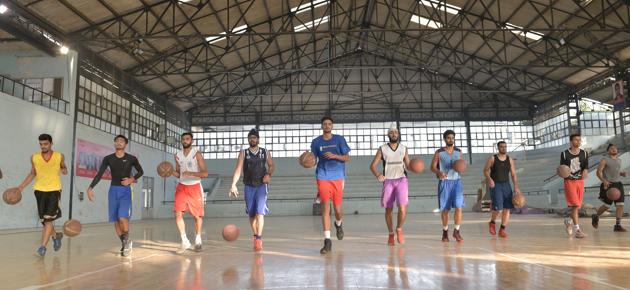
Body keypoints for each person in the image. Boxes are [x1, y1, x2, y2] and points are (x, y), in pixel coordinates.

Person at [87, 135, 144, 256]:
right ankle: (125, 244)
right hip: (113, 191)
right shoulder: (108, 158)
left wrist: (131, 179)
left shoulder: (131, 158)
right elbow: (99, 174)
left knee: (122, 216)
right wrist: (90, 187)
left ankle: (126, 241)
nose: (119, 143)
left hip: (125, 191)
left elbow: (141, 171)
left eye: (121, 141)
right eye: (117, 141)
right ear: (114, 143)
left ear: (125, 144)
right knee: (115, 220)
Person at [17, 134, 68, 257]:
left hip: (54, 191)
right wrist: (21, 187)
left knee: (48, 219)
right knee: (45, 221)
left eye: (45, 144)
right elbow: (32, 173)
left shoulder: (59, 156)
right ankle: (56, 236)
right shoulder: (34, 157)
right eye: (41, 144)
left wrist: (64, 170)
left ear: (51, 143)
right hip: (39, 191)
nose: (43, 146)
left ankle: (42, 247)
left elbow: (63, 167)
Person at [310, 116, 350, 254]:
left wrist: (335, 156)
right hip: (322, 176)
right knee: (325, 208)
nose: (327, 126)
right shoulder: (316, 142)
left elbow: (347, 157)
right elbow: (313, 160)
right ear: (322, 126)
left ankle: (338, 224)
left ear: (332, 126)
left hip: (338, 177)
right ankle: (327, 241)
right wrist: (306, 159)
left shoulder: (339, 139)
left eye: (329, 124)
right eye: (325, 124)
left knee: (338, 210)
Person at [229, 129, 274, 251]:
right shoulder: (244, 153)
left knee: (260, 213)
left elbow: (271, 165)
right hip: (248, 185)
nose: (252, 139)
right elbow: (238, 169)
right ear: (248, 139)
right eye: (250, 138)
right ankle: (255, 235)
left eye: (254, 137)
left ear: (258, 139)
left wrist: (268, 174)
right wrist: (233, 184)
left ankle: (259, 238)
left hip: (261, 185)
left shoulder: (265, 152)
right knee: (252, 214)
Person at [370, 123, 411, 245]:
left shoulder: (404, 148)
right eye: (392, 132)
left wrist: (415, 167)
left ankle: (399, 229)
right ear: (388, 134)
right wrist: (378, 175)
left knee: (402, 209)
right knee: (388, 209)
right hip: (388, 180)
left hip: (401, 179)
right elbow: (372, 165)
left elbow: (408, 165)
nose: (394, 134)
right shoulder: (382, 148)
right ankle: (390, 233)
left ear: (398, 134)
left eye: (396, 132)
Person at [172, 132, 208, 253]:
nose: (185, 141)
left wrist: (191, 173)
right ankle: (185, 241)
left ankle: (198, 238)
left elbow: (205, 173)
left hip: (195, 187)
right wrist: (170, 171)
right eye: (183, 139)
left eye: (187, 139)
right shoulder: (177, 155)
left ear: (191, 141)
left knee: (197, 216)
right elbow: (178, 173)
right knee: (178, 214)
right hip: (182, 187)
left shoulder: (196, 154)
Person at [430, 130, 464, 242]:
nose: (451, 140)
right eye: (448, 138)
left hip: (457, 182)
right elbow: (432, 167)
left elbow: (461, 165)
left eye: (452, 138)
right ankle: (445, 232)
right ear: (444, 139)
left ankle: (457, 231)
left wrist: (461, 167)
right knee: (445, 210)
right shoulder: (439, 152)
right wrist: (439, 172)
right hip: (445, 182)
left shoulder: (459, 151)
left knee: (459, 207)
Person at [483, 141, 520, 238]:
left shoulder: (510, 160)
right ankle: (492, 222)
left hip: (507, 185)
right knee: (498, 209)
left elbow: (513, 174)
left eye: (505, 147)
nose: (504, 148)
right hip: (496, 185)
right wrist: (489, 179)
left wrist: (516, 186)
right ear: (498, 148)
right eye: (502, 147)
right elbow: (485, 171)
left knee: (507, 209)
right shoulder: (492, 158)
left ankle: (502, 229)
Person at [592, 143, 626, 232]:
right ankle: (596, 216)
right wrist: (604, 181)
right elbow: (598, 172)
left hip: (618, 184)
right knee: (607, 206)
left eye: (615, 148)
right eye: (612, 148)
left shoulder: (619, 160)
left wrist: (622, 173)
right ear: (608, 151)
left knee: (620, 205)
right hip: (608, 184)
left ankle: (618, 225)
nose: (614, 149)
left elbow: (616, 171)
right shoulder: (604, 160)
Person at [560, 133, 589, 239]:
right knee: (576, 205)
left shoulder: (584, 153)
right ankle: (578, 230)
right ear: (571, 141)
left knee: (577, 207)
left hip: (580, 181)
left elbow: (586, 167)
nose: (578, 141)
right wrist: (561, 172)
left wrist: (585, 172)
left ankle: (569, 221)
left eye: (579, 140)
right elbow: (562, 168)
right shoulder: (564, 154)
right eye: (576, 140)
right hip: (569, 182)